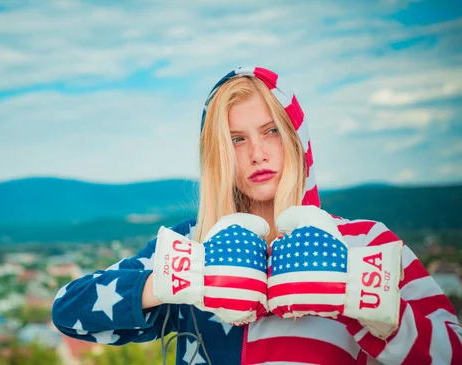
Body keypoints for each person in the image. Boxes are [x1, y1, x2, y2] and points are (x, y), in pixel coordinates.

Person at [51, 66, 462, 364]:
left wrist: (369, 304)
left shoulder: (365, 243)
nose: (257, 153)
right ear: (218, 157)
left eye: (271, 132)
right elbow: (68, 309)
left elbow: (452, 352)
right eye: (235, 140)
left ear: (295, 138)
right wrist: (177, 281)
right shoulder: (193, 245)